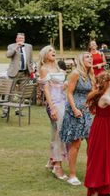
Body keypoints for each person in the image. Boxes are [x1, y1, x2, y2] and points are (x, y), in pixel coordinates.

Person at [59, 53, 95, 186]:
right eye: (87, 57)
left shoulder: (91, 75)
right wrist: (74, 109)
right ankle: (72, 175)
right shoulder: (75, 74)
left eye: (91, 57)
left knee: (91, 142)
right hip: (74, 111)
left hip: (86, 112)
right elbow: (69, 92)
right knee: (76, 143)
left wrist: (92, 103)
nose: (90, 59)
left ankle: (91, 171)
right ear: (81, 60)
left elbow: (90, 93)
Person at [38, 46, 68, 180]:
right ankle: (57, 165)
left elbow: (63, 86)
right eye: (50, 51)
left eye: (54, 50)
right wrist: (52, 108)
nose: (53, 52)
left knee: (57, 132)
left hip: (64, 101)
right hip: (54, 103)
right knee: (59, 133)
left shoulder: (59, 69)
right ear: (44, 55)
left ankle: (52, 160)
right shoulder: (44, 69)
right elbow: (46, 90)